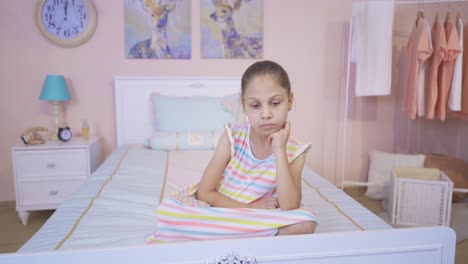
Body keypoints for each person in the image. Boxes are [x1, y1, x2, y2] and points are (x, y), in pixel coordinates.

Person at [147, 60, 318, 243]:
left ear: (290, 101)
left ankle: (225, 237)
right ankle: (242, 238)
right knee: (171, 212)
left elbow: (290, 205)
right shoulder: (232, 138)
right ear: (243, 105)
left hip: (256, 218)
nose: (266, 113)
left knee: (306, 223)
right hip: (220, 209)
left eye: (275, 103)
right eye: (255, 105)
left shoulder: (296, 152)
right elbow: (205, 193)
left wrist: (279, 150)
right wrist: (251, 207)